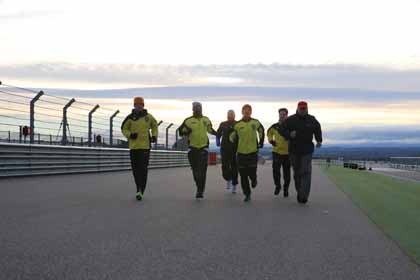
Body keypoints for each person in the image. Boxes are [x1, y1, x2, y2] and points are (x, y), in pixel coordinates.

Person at [279, 101, 322, 204]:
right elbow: (281, 130)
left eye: (304, 108)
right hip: (294, 150)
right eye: (301, 108)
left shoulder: (312, 119)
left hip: (307, 150)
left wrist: (319, 140)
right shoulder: (291, 120)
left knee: (306, 171)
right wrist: (289, 134)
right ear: (297, 108)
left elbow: (317, 129)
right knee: (297, 173)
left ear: (307, 109)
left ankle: (304, 196)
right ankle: (300, 191)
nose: (303, 110)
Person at [121, 97, 158, 201]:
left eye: (140, 104)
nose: (138, 106)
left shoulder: (148, 117)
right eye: (136, 105)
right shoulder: (130, 117)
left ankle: (140, 190)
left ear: (143, 105)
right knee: (135, 170)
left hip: (145, 147)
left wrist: (154, 135)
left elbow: (155, 126)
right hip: (133, 147)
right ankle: (138, 188)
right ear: (134, 105)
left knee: (143, 169)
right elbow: (123, 128)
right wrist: (129, 135)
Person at [179, 102, 217, 199]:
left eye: (199, 108)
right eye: (196, 108)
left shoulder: (206, 120)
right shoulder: (188, 121)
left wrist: (218, 134)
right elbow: (180, 131)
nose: (197, 109)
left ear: (201, 109)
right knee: (196, 172)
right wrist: (187, 131)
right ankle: (199, 186)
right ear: (193, 109)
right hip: (192, 149)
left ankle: (200, 190)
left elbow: (210, 130)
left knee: (202, 171)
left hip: (203, 148)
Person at [230, 104, 265, 202]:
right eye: (245, 110)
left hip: (253, 152)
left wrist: (261, 142)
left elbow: (261, 130)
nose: (247, 112)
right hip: (241, 153)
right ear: (242, 112)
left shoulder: (255, 122)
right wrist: (233, 140)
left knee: (252, 172)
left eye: (249, 110)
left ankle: (254, 179)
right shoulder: (237, 125)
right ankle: (247, 194)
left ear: (251, 112)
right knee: (243, 175)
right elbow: (231, 136)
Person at [267, 108, 291, 197]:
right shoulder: (274, 126)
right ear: (279, 115)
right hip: (276, 152)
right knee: (276, 171)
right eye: (281, 114)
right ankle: (278, 186)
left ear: (287, 115)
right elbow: (269, 133)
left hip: (287, 153)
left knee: (287, 173)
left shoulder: (290, 126)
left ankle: (286, 189)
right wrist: (271, 140)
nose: (282, 116)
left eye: (284, 114)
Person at [216, 110, 238, 193]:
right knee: (225, 167)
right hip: (224, 149)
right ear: (227, 115)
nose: (231, 115)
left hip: (235, 149)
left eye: (232, 114)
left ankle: (234, 185)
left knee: (234, 167)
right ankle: (228, 179)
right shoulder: (223, 124)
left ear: (234, 115)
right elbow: (218, 134)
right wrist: (218, 141)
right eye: (229, 114)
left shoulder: (238, 124)